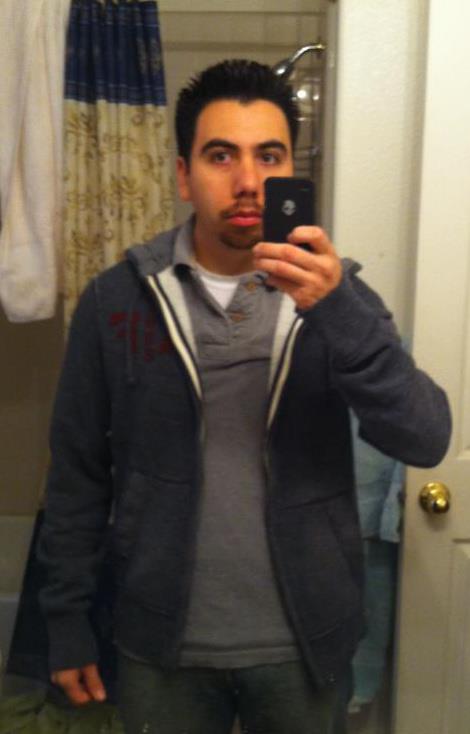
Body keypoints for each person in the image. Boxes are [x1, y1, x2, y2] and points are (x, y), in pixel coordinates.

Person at [38, 59, 451, 734]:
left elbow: (427, 436)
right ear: (183, 175)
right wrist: (66, 621)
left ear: (291, 170)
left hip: (304, 642)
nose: (248, 182)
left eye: (269, 156)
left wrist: (337, 311)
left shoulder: (340, 297)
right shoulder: (117, 302)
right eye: (221, 155)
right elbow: (78, 474)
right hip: (159, 644)